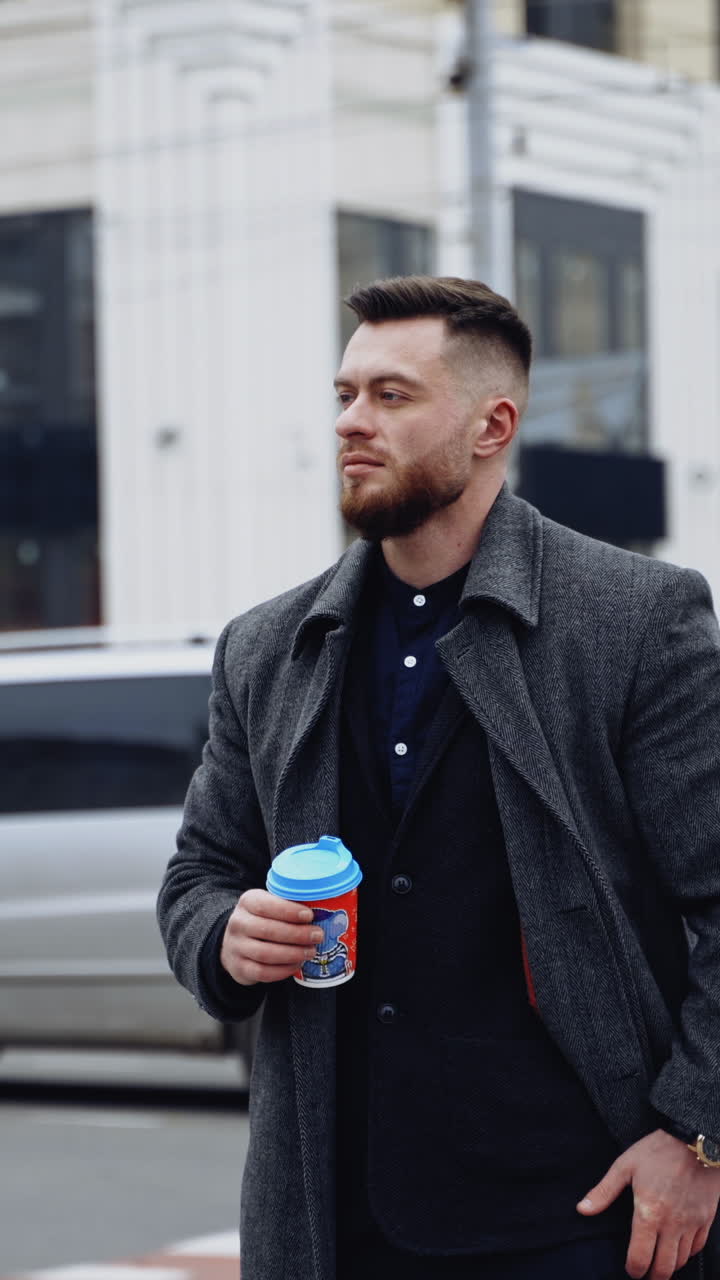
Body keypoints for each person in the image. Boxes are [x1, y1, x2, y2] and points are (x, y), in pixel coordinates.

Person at [157, 276, 720, 1280]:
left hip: (576, 1216)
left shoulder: (636, 619)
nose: (350, 423)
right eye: (344, 393)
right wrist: (225, 934)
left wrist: (697, 1132)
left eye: (391, 395)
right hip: (335, 1214)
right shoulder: (269, 646)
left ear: (490, 423)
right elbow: (199, 872)